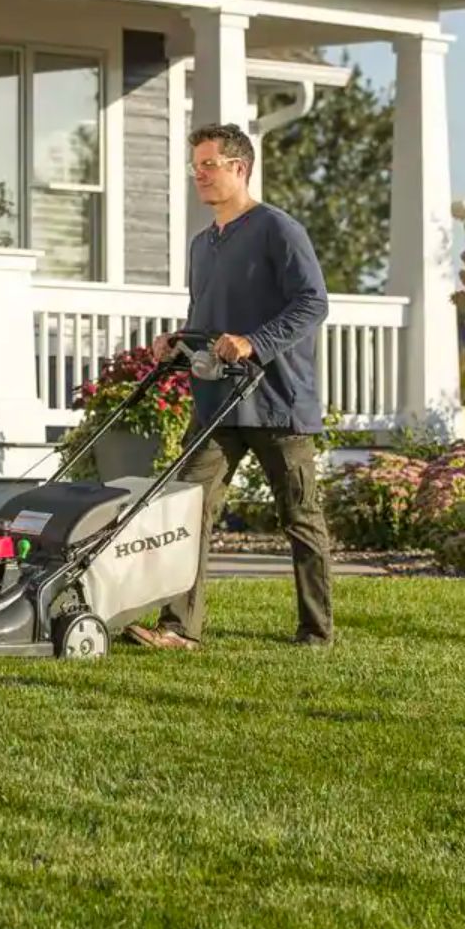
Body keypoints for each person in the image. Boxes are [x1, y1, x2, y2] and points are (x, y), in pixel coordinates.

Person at [122, 122, 333, 651]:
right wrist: (180, 341)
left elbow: (313, 303)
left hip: (278, 400)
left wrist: (255, 341)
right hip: (218, 404)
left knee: (300, 517)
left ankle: (316, 632)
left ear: (239, 168)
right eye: (195, 167)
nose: (199, 175)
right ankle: (179, 629)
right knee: (189, 508)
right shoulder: (202, 244)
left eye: (209, 165)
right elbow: (209, 318)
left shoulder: (278, 230)